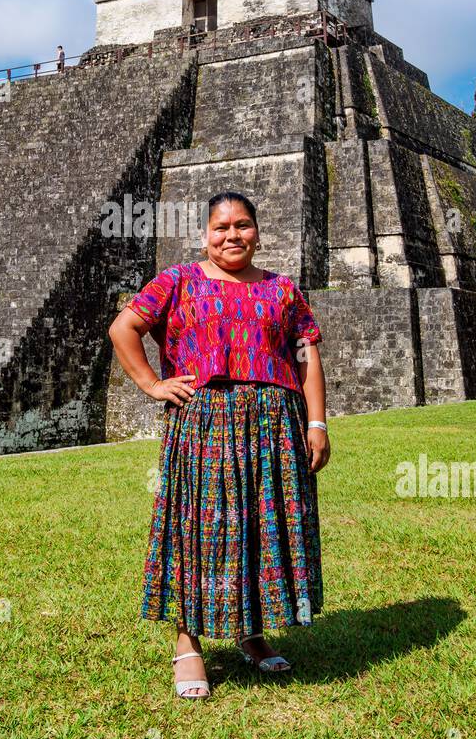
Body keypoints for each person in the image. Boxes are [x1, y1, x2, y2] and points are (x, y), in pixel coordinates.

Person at [108, 190, 331, 700]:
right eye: (221, 227)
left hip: (275, 424)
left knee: (260, 526)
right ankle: (187, 643)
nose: (233, 235)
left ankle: (250, 633)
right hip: (206, 422)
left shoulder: (283, 290)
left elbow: (306, 357)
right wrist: (151, 384)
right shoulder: (179, 281)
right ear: (205, 235)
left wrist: (316, 424)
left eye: (243, 225)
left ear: (257, 231)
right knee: (203, 529)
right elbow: (124, 328)